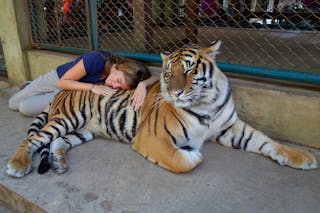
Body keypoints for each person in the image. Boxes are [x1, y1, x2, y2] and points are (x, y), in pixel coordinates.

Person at [8, 51, 159, 116]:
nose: (114, 86)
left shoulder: (123, 76)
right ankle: (31, 86)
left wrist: (142, 85)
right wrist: (93, 87)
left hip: (68, 93)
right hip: (57, 80)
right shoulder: (96, 60)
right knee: (13, 104)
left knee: (24, 108)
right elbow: (63, 82)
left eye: (120, 87)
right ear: (120, 67)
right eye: (118, 80)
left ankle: (37, 92)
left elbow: (158, 75)